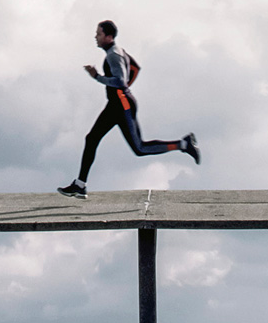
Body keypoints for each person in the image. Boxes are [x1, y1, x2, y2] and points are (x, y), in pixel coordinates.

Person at [57, 20, 199, 199]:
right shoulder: (118, 51)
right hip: (117, 104)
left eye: (99, 34)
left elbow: (120, 81)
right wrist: (124, 90)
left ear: (109, 37)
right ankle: (80, 184)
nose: (96, 37)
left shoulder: (113, 55)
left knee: (139, 148)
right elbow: (135, 68)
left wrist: (98, 77)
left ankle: (183, 144)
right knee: (91, 138)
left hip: (122, 105)